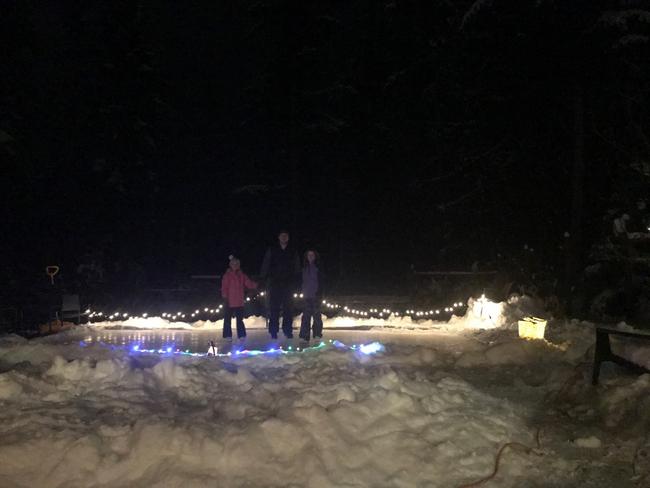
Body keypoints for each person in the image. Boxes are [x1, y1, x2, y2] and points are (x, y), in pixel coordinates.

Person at [260, 230, 300, 339]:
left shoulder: (292, 250)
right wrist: (263, 279)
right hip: (275, 283)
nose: (284, 237)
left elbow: (297, 266)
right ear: (278, 237)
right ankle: (273, 331)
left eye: (286, 236)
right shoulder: (272, 249)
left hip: (288, 284)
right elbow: (266, 264)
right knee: (274, 308)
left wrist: (296, 280)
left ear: (288, 238)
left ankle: (287, 330)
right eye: (282, 236)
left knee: (288, 308)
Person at [221, 256, 257, 340]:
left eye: (237, 264)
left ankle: (241, 335)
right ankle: (227, 335)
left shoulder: (242, 275)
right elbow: (224, 287)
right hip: (229, 300)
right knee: (227, 319)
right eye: (233, 264)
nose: (235, 265)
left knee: (239, 320)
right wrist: (225, 296)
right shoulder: (227, 276)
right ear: (230, 265)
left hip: (239, 301)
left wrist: (256, 285)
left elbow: (248, 283)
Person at [299, 249, 323, 342]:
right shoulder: (304, 268)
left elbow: (322, 281)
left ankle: (317, 334)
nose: (310, 257)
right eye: (309, 255)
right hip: (306, 295)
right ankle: (304, 335)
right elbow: (301, 280)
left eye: (312, 255)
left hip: (316, 295)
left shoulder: (318, 267)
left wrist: (320, 292)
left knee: (317, 315)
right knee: (306, 316)